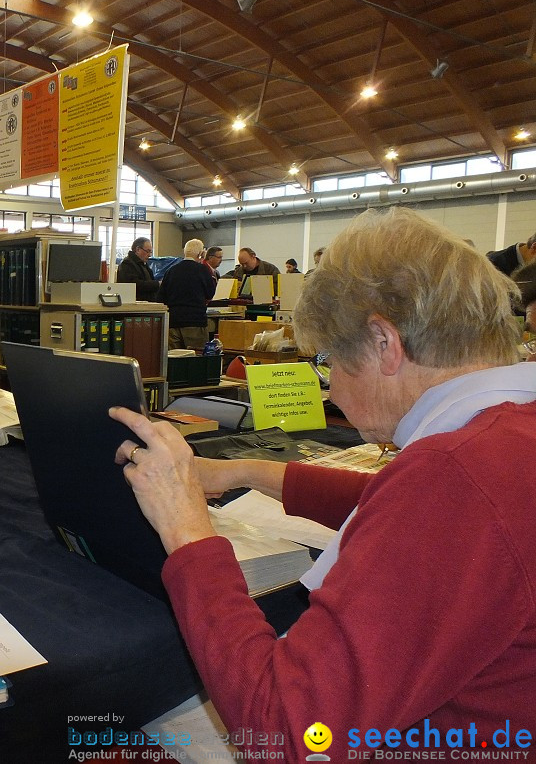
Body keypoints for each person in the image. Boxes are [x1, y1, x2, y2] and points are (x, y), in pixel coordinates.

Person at [110, 207, 536, 760]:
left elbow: (289, 733)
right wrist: (242, 470)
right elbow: (401, 510)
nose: (330, 387)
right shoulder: (500, 438)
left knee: (144, 723)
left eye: (330, 359)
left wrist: (185, 526)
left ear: (385, 343)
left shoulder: (456, 476)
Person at [158, 239, 217, 350]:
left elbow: (161, 297)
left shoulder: (171, 270)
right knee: (195, 360)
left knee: (174, 360)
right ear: (201, 254)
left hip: (173, 322)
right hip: (194, 322)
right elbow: (210, 293)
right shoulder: (202, 270)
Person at [116, 237, 160, 301]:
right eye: (147, 251)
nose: (149, 255)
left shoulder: (142, 264)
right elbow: (134, 285)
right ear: (138, 249)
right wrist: (157, 284)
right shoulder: (127, 264)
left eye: (151, 252)